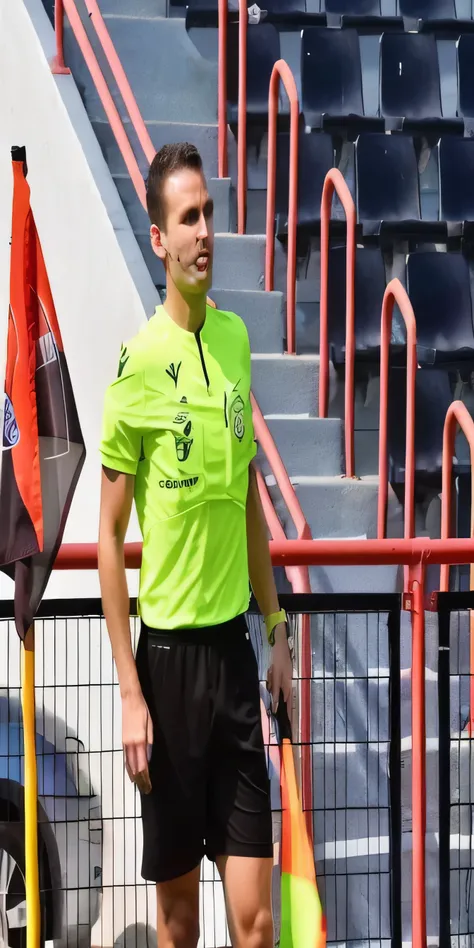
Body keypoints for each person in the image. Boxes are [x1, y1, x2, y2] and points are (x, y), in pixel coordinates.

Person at [98, 142, 293, 948]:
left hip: (235, 664)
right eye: (189, 218)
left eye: (209, 214)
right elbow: (108, 539)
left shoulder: (240, 344)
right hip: (167, 672)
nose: (205, 232)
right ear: (158, 239)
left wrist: (277, 631)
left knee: (255, 921)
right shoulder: (135, 366)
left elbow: (250, 498)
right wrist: (130, 691)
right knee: (178, 926)